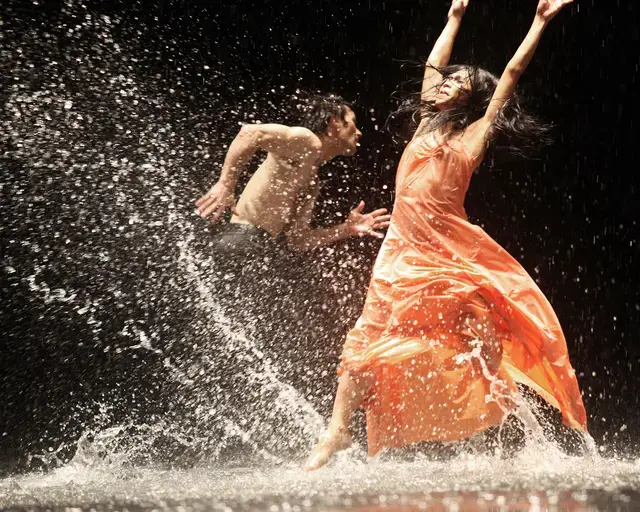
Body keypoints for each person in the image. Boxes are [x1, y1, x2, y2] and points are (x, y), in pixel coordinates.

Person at [305, 0, 587, 471]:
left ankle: (509, 419)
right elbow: (434, 67)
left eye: (459, 83)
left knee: (475, 326)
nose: (446, 83)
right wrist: (454, 16)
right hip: (398, 252)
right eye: (448, 80)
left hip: (444, 249)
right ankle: (336, 431)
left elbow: (512, 75)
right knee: (366, 339)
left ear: (470, 100)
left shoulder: (473, 137)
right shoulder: (423, 124)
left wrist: (538, 23)